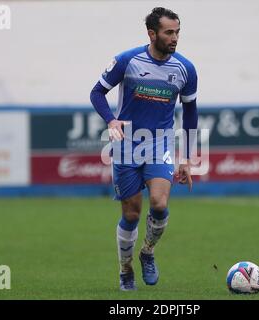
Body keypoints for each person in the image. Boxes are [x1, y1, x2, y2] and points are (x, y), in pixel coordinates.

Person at [90, 7, 198, 291]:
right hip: (126, 145)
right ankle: (125, 270)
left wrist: (186, 158)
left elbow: (190, 113)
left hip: (160, 143)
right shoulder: (127, 61)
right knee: (132, 214)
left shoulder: (185, 69)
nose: (174, 38)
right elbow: (97, 92)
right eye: (168, 32)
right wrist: (111, 120)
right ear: (152, 34)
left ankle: (147, 252)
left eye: (177, 32)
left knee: (160, 204)